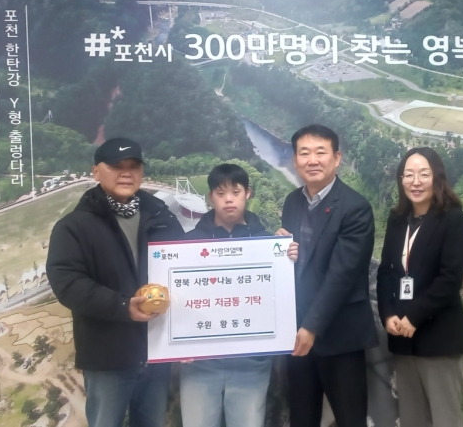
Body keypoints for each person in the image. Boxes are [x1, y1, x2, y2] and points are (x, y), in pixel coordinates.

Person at [46, 138, 184, 427]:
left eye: (133, 166)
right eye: (116, 166)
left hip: (157, 351)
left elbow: (186, 269)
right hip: (107, 357)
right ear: (96, 172)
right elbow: (67, 283)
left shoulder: (162, 216)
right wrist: (122, 306)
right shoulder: (73, 227)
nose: (126, 173)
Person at [179, 163, 298, 427]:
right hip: (199, 364)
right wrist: (176, 342)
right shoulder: (187, 244)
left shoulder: (268, 243)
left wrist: (287, 257)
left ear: (248, 193)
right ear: (211, 197)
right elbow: (178, 301)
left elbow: (278, 297)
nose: (229, 200)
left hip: (251, 364)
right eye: (221, 193)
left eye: (236, 192)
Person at [277, 124, 378, 427]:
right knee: (302, 416)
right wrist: (280, 250)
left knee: (350, 419)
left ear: (337, 158)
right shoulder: (292, 202)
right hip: (297, 334)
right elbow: (298, 263)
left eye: (320, 152)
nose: (312, 160)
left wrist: (311, 327)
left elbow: (342, 275)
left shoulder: (355, 208)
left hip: (339, 335)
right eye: (304, 153)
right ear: (295, 160)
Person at [376, 147, 463, 427]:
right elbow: (386, 271)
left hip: (439, 339)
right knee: (412, 419)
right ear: (401, 180)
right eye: (408, 175)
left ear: (437, 177)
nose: (415, 182)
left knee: (445, 420)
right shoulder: (397, 220)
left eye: (423, 174)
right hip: (403, 340)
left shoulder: (453, 219)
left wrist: (414, 317)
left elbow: (450, 278)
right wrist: (388, 314)